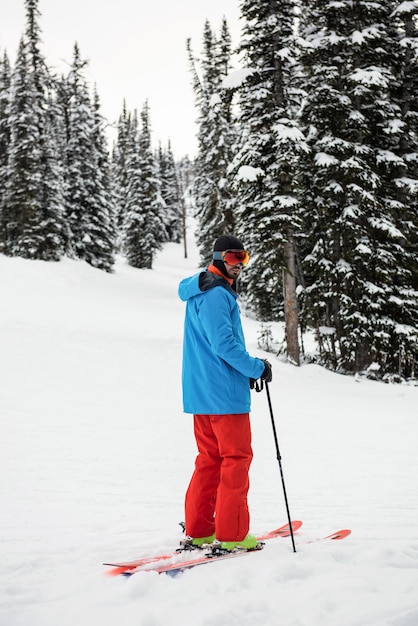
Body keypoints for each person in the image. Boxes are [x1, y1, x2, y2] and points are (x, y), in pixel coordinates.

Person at [178, 235, 272, 551]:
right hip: (224, 397)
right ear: (219, 258)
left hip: (202, 393)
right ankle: (232, 535)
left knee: (210, 460)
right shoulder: (217, 295)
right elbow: (225, 346)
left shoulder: (200, 291)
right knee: (236, 458)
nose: (238, 265)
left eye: (243, 258)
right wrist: (256, 367)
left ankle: (201, 529)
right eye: (233, 257)